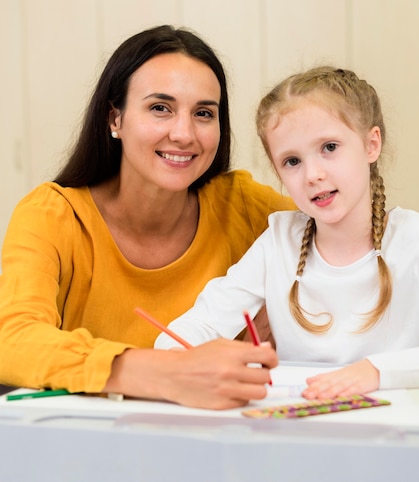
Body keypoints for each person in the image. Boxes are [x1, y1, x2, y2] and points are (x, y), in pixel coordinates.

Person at [0, 25, 296, 410]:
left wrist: (292, 311)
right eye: (160, 108)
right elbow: (13, 339)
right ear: (115, 120)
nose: (184, 133)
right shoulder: (53, 214)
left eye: (204, 113)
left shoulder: (244, 205)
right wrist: (167, 373)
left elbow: (350, 241)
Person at [155, 66, 419, 399]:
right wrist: (173, 359)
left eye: (329, 147)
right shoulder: (278, 242)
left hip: (397, 434)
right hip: (303, 432)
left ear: (371, 144)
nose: (312, 174)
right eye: (292, 161)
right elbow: (201, 323)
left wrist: (375, 371)